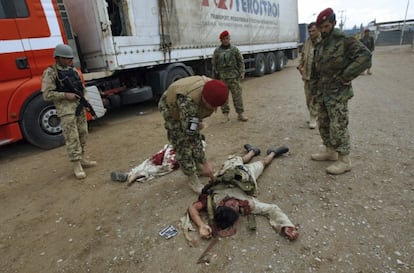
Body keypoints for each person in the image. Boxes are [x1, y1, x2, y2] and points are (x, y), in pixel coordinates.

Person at [184, 144, 299, 241]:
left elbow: (192, 207)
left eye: (231, 203)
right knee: (263, 163)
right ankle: (273, 153)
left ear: (221, 204)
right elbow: (272, 209)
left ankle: (252, 151)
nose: (235, 203)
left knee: (238, 160)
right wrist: (286, 225)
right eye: (235, 207)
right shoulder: (247, 205)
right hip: (247, 175)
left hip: (228, 172)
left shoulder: (212, 201)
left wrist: (201, 226)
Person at [310, 8, 371, 175]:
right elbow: (316, 71)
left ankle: (344, 160)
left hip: (338, 93)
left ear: (334, 23)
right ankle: (330, 151)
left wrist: (346, 75)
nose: (323, 30)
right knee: (324, 123)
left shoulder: (345, 40)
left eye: (326, 26)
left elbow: (365, 57)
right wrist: (314, 91)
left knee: (338, 125)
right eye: (321, 27)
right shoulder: (320, 45)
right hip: (323, 92)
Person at [158, 76, 229, 193]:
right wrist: (205, 162)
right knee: (181, 142)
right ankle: (192, 178)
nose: (215, 109)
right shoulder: (188, 102)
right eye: (213, 106)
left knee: (192, 130)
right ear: (205, 100)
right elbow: (192, 136)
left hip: (189, 107)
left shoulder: (213, 87)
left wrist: (196, 121)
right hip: (170, 107)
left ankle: (199, 168)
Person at [41, 44, 97, 179]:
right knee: (72, 136)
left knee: (83, 133)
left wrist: (85, 98)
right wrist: (65, 95)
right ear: (58, 58)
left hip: (78, 107)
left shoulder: (73, 70)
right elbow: (46, 94)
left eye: (70, 58)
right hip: (66, 110)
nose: (69, 61)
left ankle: (82, 157)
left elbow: (80, 86)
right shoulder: (51, 72)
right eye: (66, 58)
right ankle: (76, 164)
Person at [212, 30, 248, 122]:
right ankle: (225, 115)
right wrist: (214, 78)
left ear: (229, 39)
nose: (226, 40)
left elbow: (240, 61)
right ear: (221, 40)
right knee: (223, 98)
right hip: (223, 78)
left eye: (227, 38)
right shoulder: (217, 51)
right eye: (224, 39)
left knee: (237, 96)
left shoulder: (234, 49)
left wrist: (242, 71)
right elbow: (214, 65)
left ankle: (240, 114)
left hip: (234, 78)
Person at [297, 22, 321, 129]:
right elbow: (302, 56)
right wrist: (300, 67)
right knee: (308, 98)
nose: (311, 33)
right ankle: (314, 115)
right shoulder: (307, 42)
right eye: (309, 31)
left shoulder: (323, 42)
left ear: (318, 30)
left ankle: (313, 117)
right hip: (307, 76)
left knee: (315, 98)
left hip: (318, 78)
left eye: (313, 31)